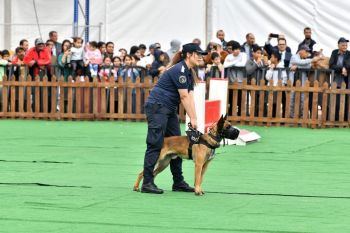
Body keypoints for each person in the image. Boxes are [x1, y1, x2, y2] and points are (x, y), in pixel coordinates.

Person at [141, 43, 207, 194]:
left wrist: (194, 118)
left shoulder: (189, 72)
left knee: (177, 143)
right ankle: (147, 182)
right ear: (188, 55)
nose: (201, 57)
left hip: (168, 109)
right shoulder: (180, 70)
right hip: (157, 107)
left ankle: (178, 182)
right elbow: (184, 96)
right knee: (155, 143)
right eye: (198, 54)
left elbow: (190, 97)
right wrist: (194, 119)